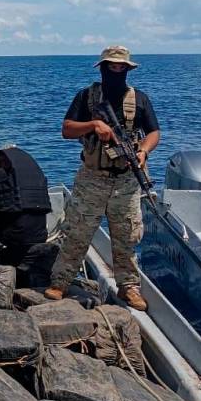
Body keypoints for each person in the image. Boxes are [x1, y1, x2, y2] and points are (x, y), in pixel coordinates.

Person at [45, 46, 160, 311]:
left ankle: (128, 287)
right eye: (112, 66)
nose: (117, 71)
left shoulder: (139, 99)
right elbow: (67, 129)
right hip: (92, 178)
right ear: (103, 68)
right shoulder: (86, 98)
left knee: (127, 236)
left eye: (122, 67)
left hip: (127, 180)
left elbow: (154, 132)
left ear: (128, 70)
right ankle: (60, 282)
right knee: (77, 231)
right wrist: (93, 125)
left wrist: (143, 150)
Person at [0, 146, 54, 280]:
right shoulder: (36, 173)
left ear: (4, 160)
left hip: (16, 237)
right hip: (41, 235)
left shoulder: (2, 173)